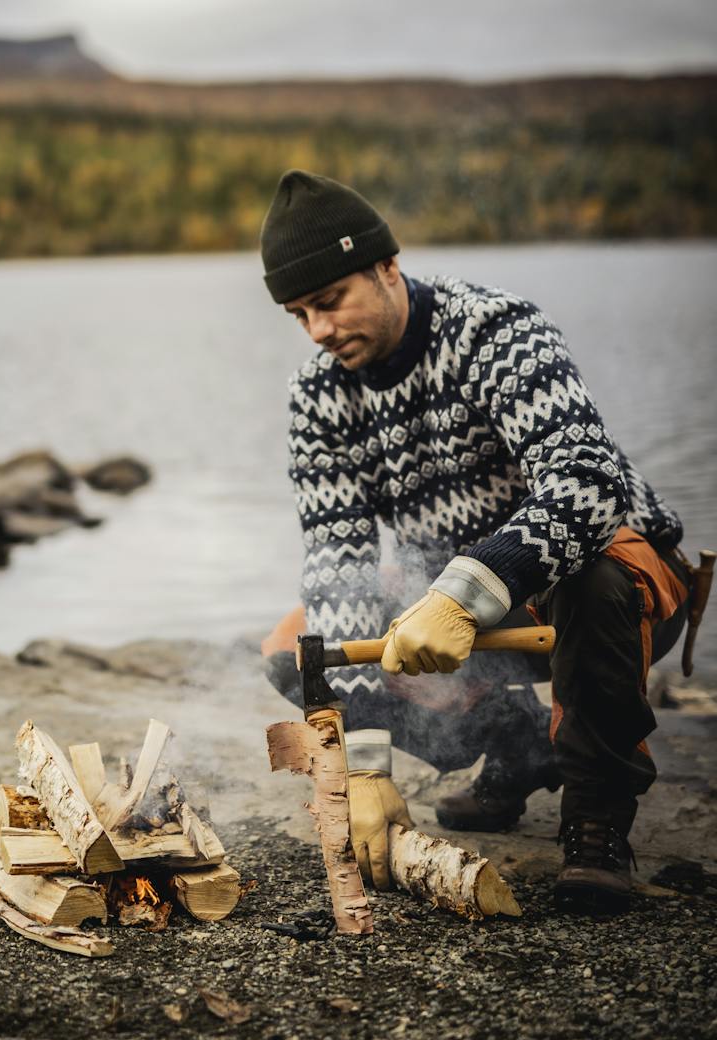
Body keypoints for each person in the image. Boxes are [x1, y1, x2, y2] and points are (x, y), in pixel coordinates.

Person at [259, 169, 690, 914]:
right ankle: (523, 747)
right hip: (471, 605)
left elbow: (588, 482)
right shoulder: (319, 396)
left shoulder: (496, 330)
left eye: (329, 301)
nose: (319, 330)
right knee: (297, 646)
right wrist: (363, 763)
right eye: (300, 315)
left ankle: (594, 818)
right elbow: (340, 566)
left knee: (595, 578)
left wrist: (466, 590)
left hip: (606, 582)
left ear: (386, 266)